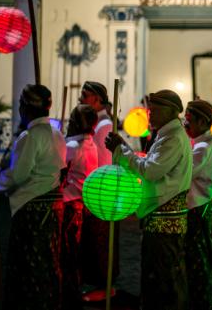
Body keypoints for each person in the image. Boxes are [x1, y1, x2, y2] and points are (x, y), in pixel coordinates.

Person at [106, 90, 192, 310]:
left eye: (153, 111)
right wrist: (124, 148)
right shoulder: (167, 135)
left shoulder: (173, 138)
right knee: (158, 275)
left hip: (164, 218)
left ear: (170, 112)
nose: (149, 115)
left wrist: (120, 150)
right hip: (159, 215)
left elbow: (150, 171)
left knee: (163, 277)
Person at [0, 84, 67, 310]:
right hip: (53, 208)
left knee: (29, 266)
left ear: (25, 108)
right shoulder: (57, 133)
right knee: (48, 262)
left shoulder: (30, 137)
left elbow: (19, 175)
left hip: (32, 210)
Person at [78, 81, 119, 301]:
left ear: (96, 99)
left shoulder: (104, 126)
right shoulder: (97, 123)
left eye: (84, 95)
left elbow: (102, 164)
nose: (81, 99)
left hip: (102, 192)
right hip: (97, 190)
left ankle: (106, 287)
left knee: (102, 242)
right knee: (95, 242)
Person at [183, 99, 212, 310]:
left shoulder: (203, 148)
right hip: (198, 207)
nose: (185, 124)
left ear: (201, 121)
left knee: (197, 260)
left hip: (198, 208)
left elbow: (183, 175)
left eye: (188, 120)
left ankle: (201, 302)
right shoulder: (201, 144)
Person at [61, 104, 98, 310]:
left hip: (68, 203)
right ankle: (73, 291)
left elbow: (60, 171)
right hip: (80, 204)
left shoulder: (72, 146)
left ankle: (68, 294)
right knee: (74, 251)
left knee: (66, 253)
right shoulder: (91, 144)